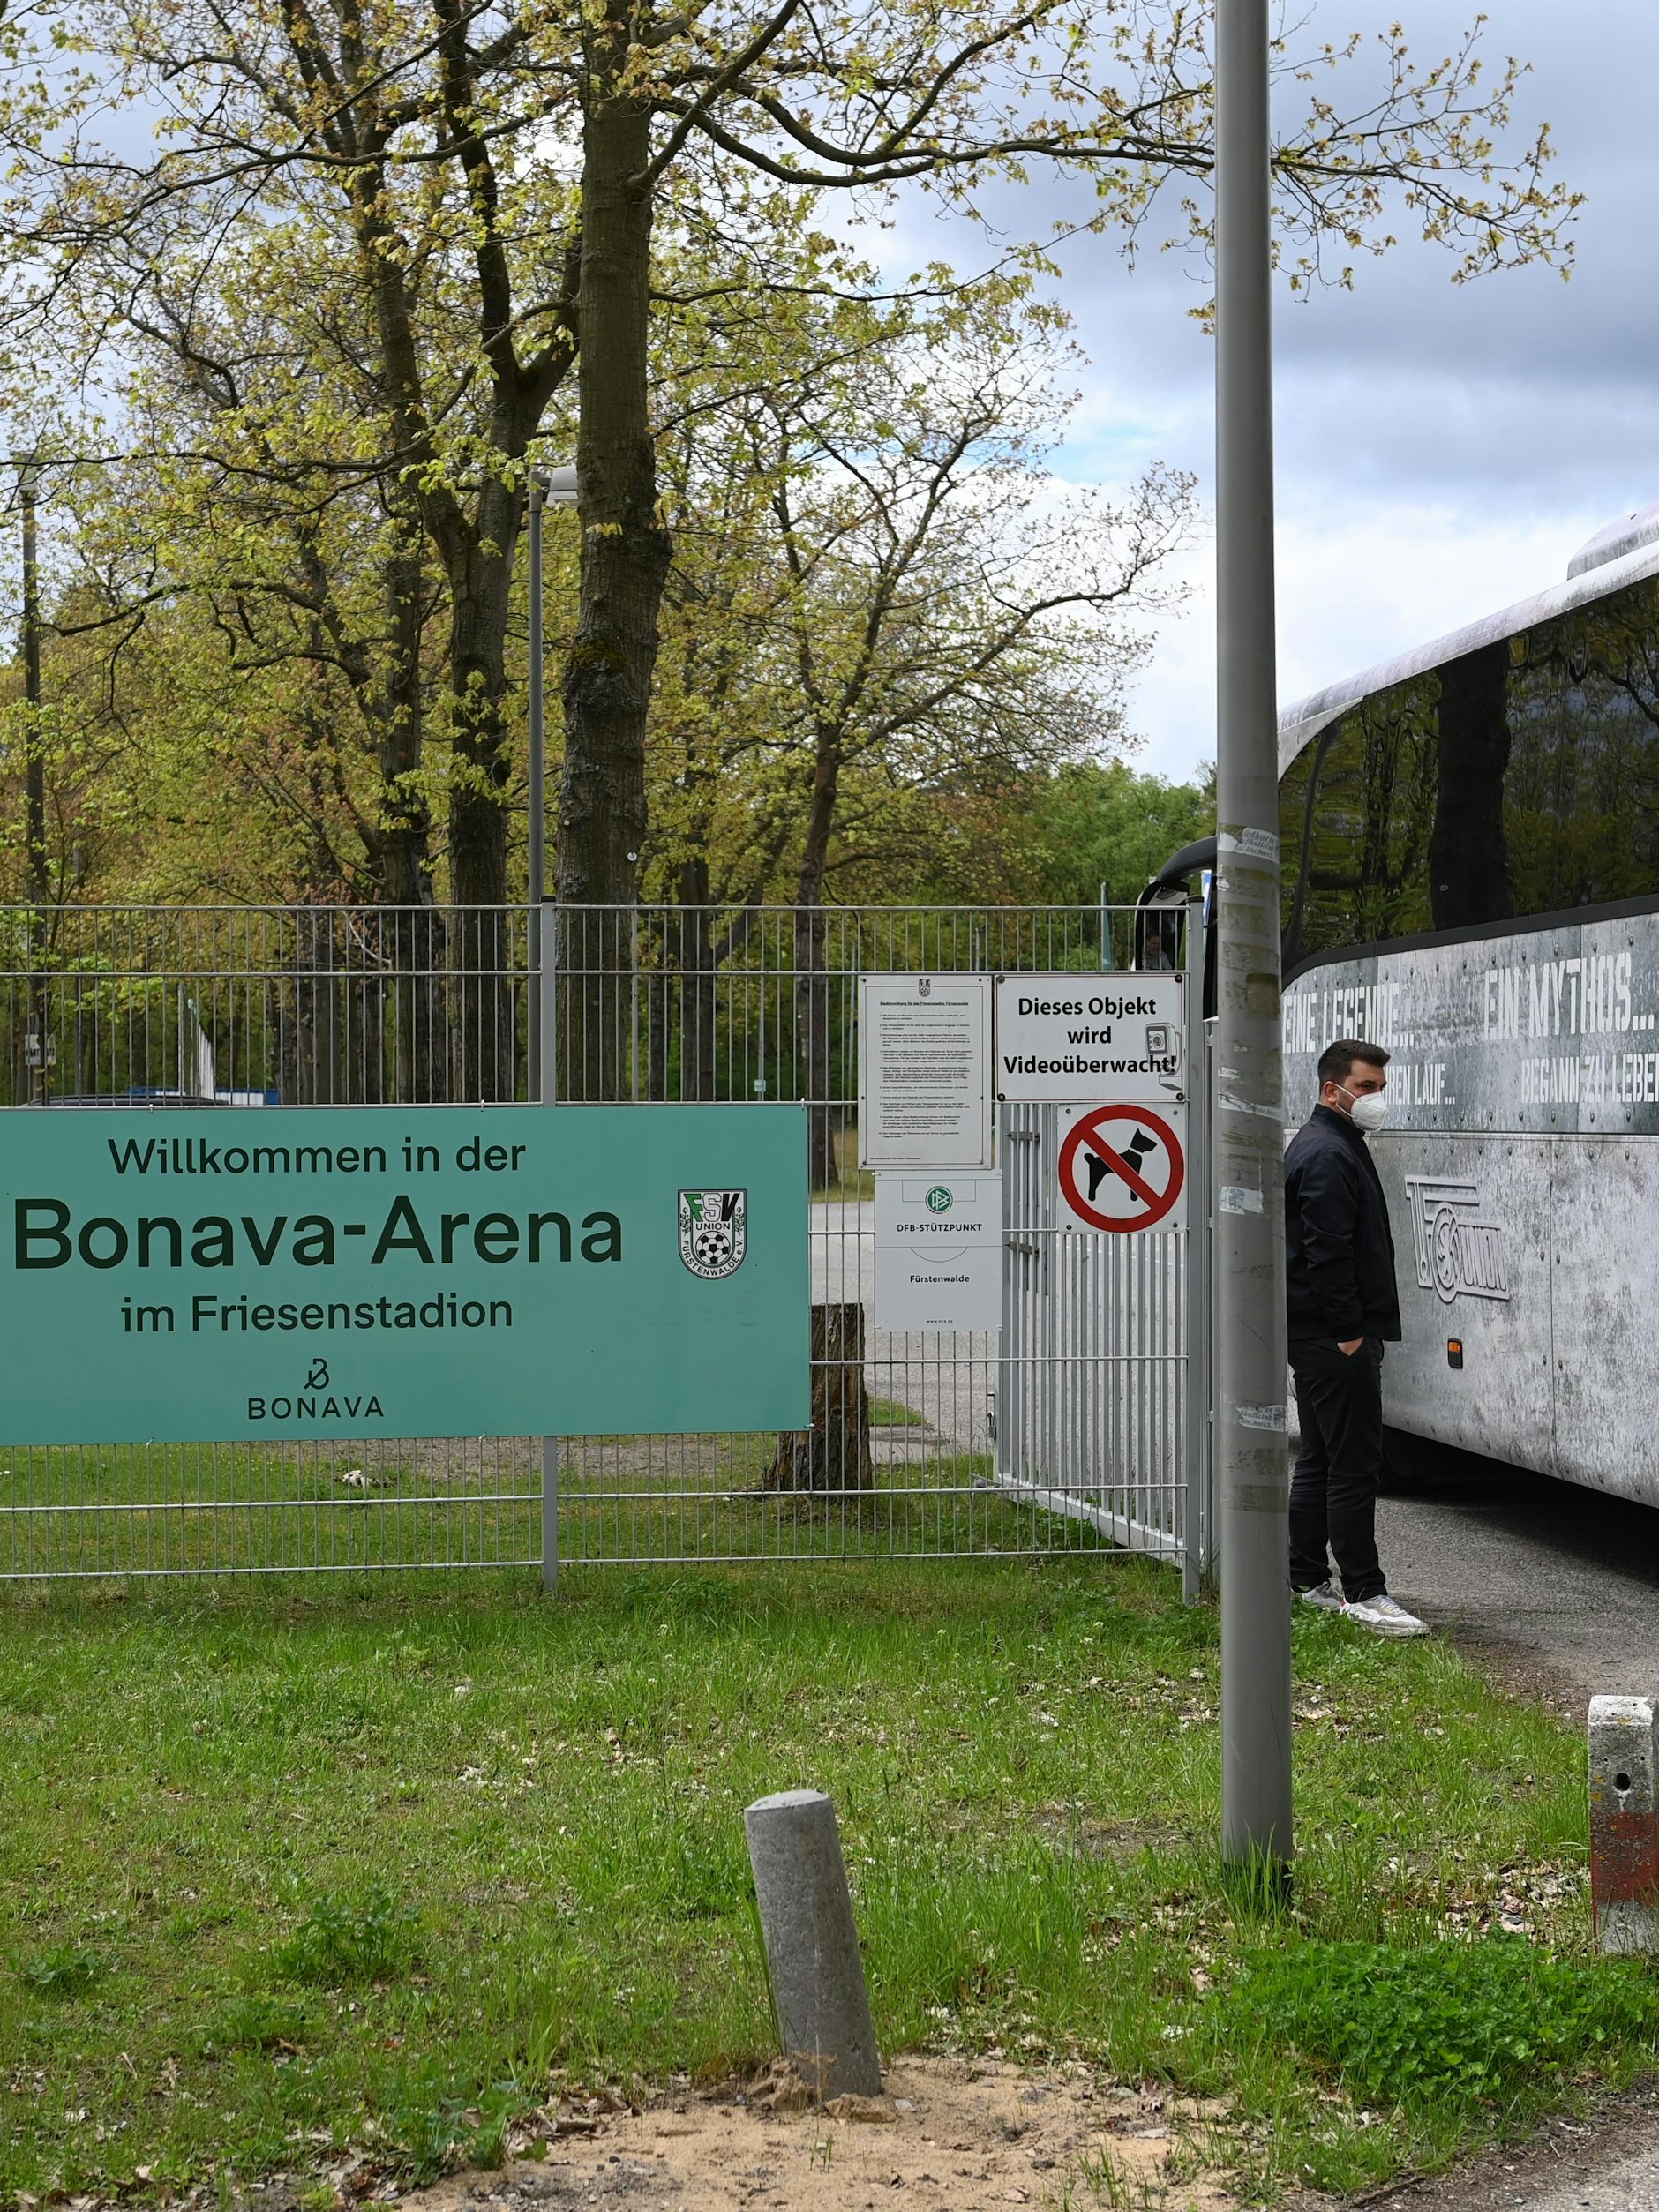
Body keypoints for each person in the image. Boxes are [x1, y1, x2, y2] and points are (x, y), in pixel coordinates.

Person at [1283, 1038, 1428, 1638]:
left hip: (1319, 1334)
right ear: (1331, 1089)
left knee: (1319, 1456)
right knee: (1355, 1463)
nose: (1375, 1100)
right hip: (1333, 1338)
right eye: (1366, 1088)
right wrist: (1348, 1332)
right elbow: (1327, 1252)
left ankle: (1306, 1578)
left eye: (1380, 1089)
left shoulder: (1334, 1143)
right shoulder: (1326, 1153)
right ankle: (1365, 1590)